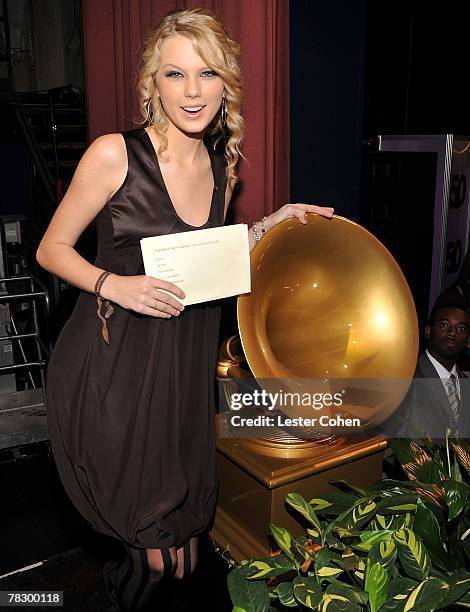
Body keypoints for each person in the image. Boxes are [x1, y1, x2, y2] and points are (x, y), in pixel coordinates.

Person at [35, 8, 334, 611]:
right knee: (151, 553)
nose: (192, 92)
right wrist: (112, 284)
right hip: (116, 371)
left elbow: (206, 255)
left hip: (183, 375)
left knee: (186, 552)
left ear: (226, 83)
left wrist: (268, 227)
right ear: (153, 83)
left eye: (207, 74)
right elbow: (50, 249)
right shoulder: (114, 154)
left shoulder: (222, 163)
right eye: (175, 75)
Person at [398, 298, 470, 441]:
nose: (452, 332)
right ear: (428, 331)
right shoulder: (405, 378)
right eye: (444, 325)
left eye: (461, 328)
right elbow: (389, 448)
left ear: (468, 340)